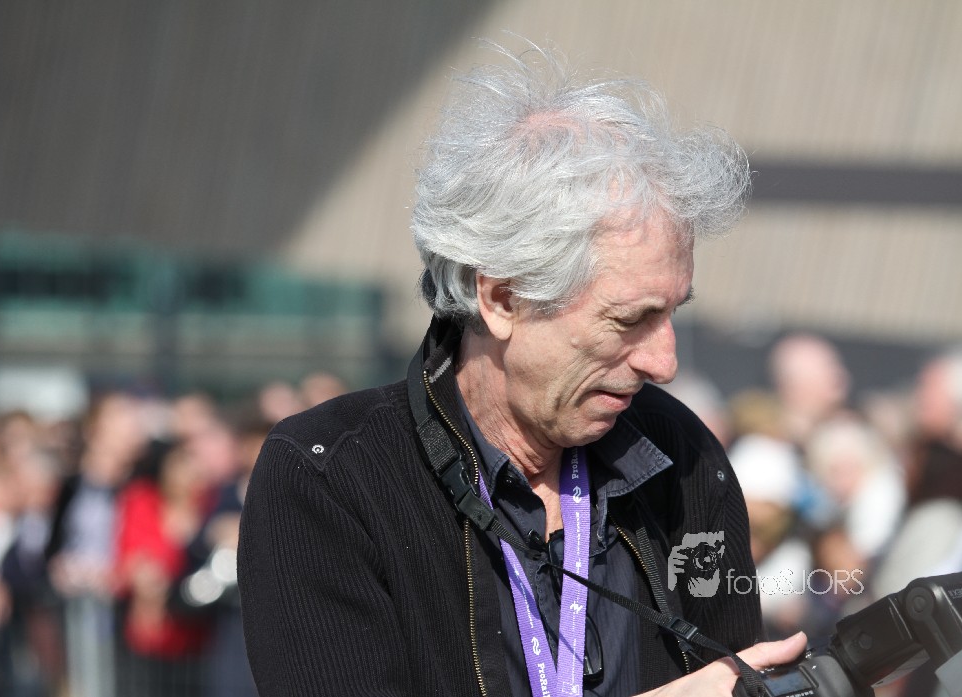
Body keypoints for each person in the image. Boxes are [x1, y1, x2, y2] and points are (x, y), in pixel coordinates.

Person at [238, 41, 805, 697]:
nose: (664, 362)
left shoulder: (681, 456)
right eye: (629, 319)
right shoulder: (330, 476)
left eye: (674, 312)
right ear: (502, 299)